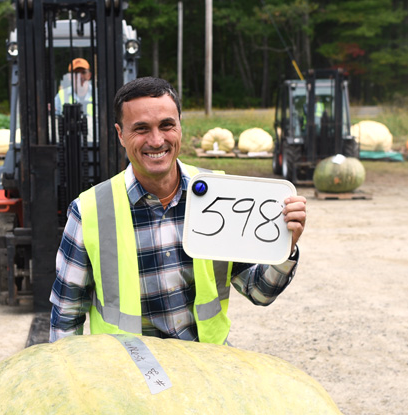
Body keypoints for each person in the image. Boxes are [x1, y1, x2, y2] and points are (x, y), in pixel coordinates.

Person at [49, 76, 307, 344]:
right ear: (120, 135)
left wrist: (285, 246)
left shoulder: (220, 197)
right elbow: (66, 316)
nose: (156, 140)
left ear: (180, 126)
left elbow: (260, 292)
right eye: (141, 129)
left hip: (206, 360)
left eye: (166, 125)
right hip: (127, 366)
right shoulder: (89, 212)